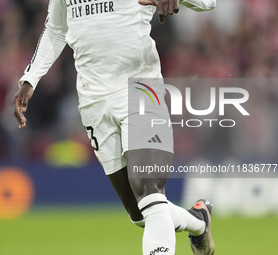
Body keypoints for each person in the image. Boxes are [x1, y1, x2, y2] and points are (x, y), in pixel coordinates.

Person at [12, 0, 216, 254]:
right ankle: (199, 222)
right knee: (140, 213)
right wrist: (30, 79)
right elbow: (56, 29)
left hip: (141, 88)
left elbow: (209, 2)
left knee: (150, 192)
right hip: (93, 101)